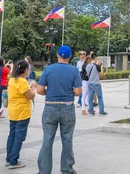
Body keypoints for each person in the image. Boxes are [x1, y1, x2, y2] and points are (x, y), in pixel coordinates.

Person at [36, 45, 82, 174]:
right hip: (67, 107)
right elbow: (78, 91)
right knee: (67, 139)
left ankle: (44, 171)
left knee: (47, 139)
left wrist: (48, 91)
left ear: (57, 55)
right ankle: (67, 169)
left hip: (50, 106)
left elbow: (39, 90)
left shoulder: (48, 69)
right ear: (70, 57)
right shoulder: (74, 70)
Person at [6, 60, 38, 169]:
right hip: (22, 112)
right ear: (25, 70)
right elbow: (30, 96)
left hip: (13, 111)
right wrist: (33, 87)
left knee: (12, 135)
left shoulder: (12, 80)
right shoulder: (22, 82)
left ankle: (9, 158)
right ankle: (13, 161)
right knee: (19, 137)